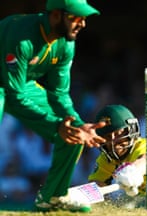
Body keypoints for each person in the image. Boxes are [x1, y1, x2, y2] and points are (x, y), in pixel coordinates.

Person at [0, 0, 107, 212]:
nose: (82, 24)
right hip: (11, 85)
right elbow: (14, 95)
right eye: (76, 18)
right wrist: (56, 124)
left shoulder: (66, 43)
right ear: (56, 15)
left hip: (21, 84)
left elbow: (59, 93)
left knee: (74, 133)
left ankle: (53, 197)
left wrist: (76, 123)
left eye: (84, 19)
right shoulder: (22, 38)